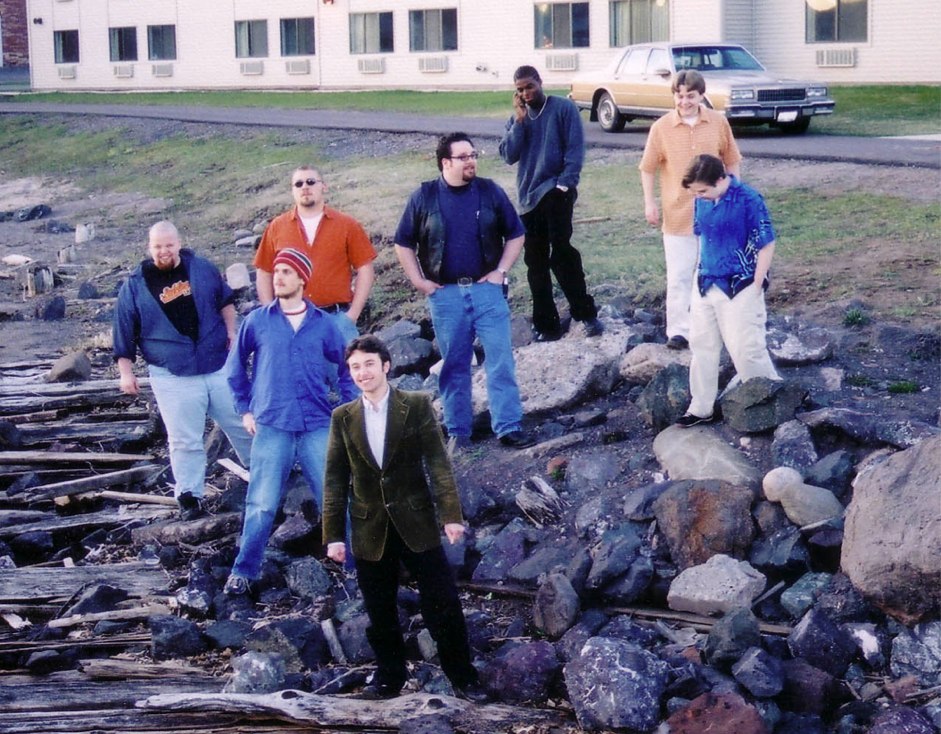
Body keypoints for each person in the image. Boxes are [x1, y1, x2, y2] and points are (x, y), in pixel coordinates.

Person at [322, 334, 490, 703]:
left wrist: (450, 516)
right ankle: (388, 677)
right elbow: (335, 477)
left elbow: (437, 463)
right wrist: (333, 535)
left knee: (442, 602)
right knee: (379, 609)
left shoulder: (415, 405)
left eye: (369, 364)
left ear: (385, 366)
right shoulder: (343, 417)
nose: (362, 372)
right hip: (369, 528)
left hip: (417, 523)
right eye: (355, 367)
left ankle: (463, 676)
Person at [224, 248, 357, 595]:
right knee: (262, 503)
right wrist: (246, 410)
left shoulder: (324, 325)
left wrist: (347, 409)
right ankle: (244, 570)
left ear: (302, 279)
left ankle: (360, 567)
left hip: (316, 424)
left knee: (335, 496)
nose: (278, 277)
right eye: (276, 271)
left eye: (286, 272)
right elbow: (235, 367)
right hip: (272, 425)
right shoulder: (257, 321)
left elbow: (346, 370)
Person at [394, 132, 534, 450]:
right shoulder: (424, 196)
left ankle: (508, 427)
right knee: (455, 363)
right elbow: (403, 243)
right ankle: (458, 430)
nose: (471, 161)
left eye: (473, 155)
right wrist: (419, 281)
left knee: (500, 359)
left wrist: (500, 271)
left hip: (487, 291)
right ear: (446, 162)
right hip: (445, 296)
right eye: (464, 157)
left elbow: (516, 234)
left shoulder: (490, 192)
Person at [113, 220, 252, 521]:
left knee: (242, 421)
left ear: (178, 243)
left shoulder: (201, 268)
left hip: (216, 365)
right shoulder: (135, 284)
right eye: (157, 246)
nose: (164, 251)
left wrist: (231, 332)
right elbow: (123, 330)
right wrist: (126, 371)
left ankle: (264, 472)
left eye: (169, 245)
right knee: (183, 439)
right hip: (172, 374)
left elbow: (225, 301)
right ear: (149, 248)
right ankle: (189, 496)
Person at [639, 69, 742, 351]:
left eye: (690, 96)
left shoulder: (718, 123)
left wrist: (735, 196)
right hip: (677, 214)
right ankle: (679, 330)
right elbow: (647, 168)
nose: (684, 101)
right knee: (680, 274)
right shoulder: (661, 128)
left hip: (716, 213)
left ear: (701, 95)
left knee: (715, 271)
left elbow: (732, 161)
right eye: (679, 96)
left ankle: (716, 327)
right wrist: (650, 202)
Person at [499, 65, 603, 342]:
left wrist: (565, 183)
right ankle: (546, 324)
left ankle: (585, 313)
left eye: (529, 86)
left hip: (556, 191)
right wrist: (520, 121)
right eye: (520, 89)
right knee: (535, 262)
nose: (526, 93)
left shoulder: (562, 109)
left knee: (562, 252)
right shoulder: (517, 118)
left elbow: (575, 148)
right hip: (529, 198)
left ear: (540, 82)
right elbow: (509, 155)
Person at [676, 154, 779, 427]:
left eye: (702, 191)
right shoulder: (701, 200)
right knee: (702, 345)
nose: (698, 196)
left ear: (721, 180)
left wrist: (758, 283)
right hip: (706, 281)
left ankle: (771, 400)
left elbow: (766, 243)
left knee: (746, 348)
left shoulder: (749, 199)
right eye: (695, 192)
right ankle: (701, 406)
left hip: (741, 283)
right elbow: (702, 237)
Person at [253, 165, 376, 344]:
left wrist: (352, 315)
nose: (305, 187)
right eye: (298, 184)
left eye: (311, 181)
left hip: (336, 320)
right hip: (290, 322)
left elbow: (365, 268)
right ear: (292, 190)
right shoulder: (277, 227)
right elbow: (264, 271)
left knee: (342, 372)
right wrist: (270, 313)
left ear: (323, 186)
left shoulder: (347, 225)